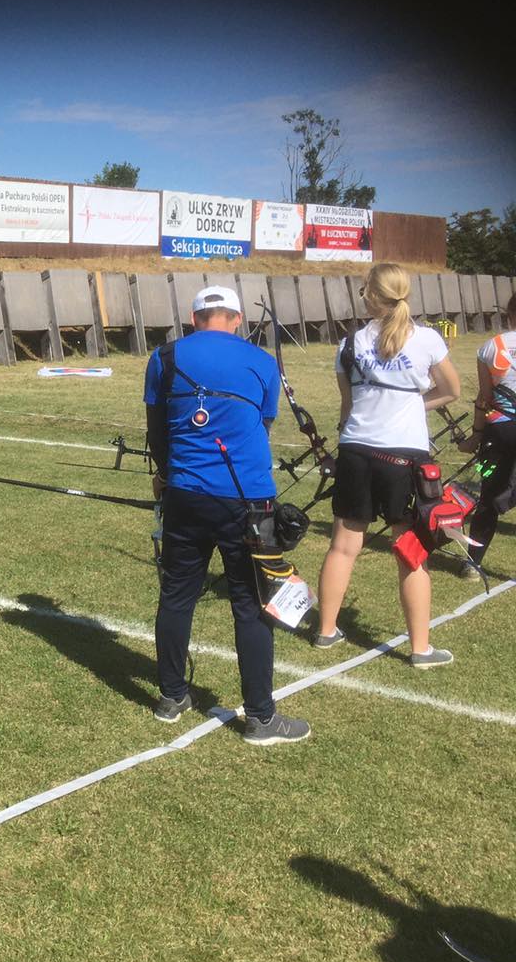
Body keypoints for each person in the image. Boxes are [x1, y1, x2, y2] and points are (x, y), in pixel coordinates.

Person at [144, 285, 310, 744]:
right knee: (251, 605)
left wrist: (166, 473)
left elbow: (157, 430)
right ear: (236, 319)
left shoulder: (165, 356)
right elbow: (263, 425)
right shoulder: (261, 361)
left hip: (185, 494)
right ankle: (260, 717)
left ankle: (172, 695)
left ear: (195, 318)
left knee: (178, 595)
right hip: (249, 502)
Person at [312, 263, 460, 666]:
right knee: (410, 551)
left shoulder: (350, 342)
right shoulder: (427, 339)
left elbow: (348, 408)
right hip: (404, 456)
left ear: (370, 295)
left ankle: (326, 630)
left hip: (357, 451)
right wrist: (415, 404)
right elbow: (453, 390)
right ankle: (420, 648)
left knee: (343, 547)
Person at [455, 291, 516, 577]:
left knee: (487, 494)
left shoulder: (491, 347)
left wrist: (476, 436)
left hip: (499, 429)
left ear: (509, 316)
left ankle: (473, 561)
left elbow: (485, 399)